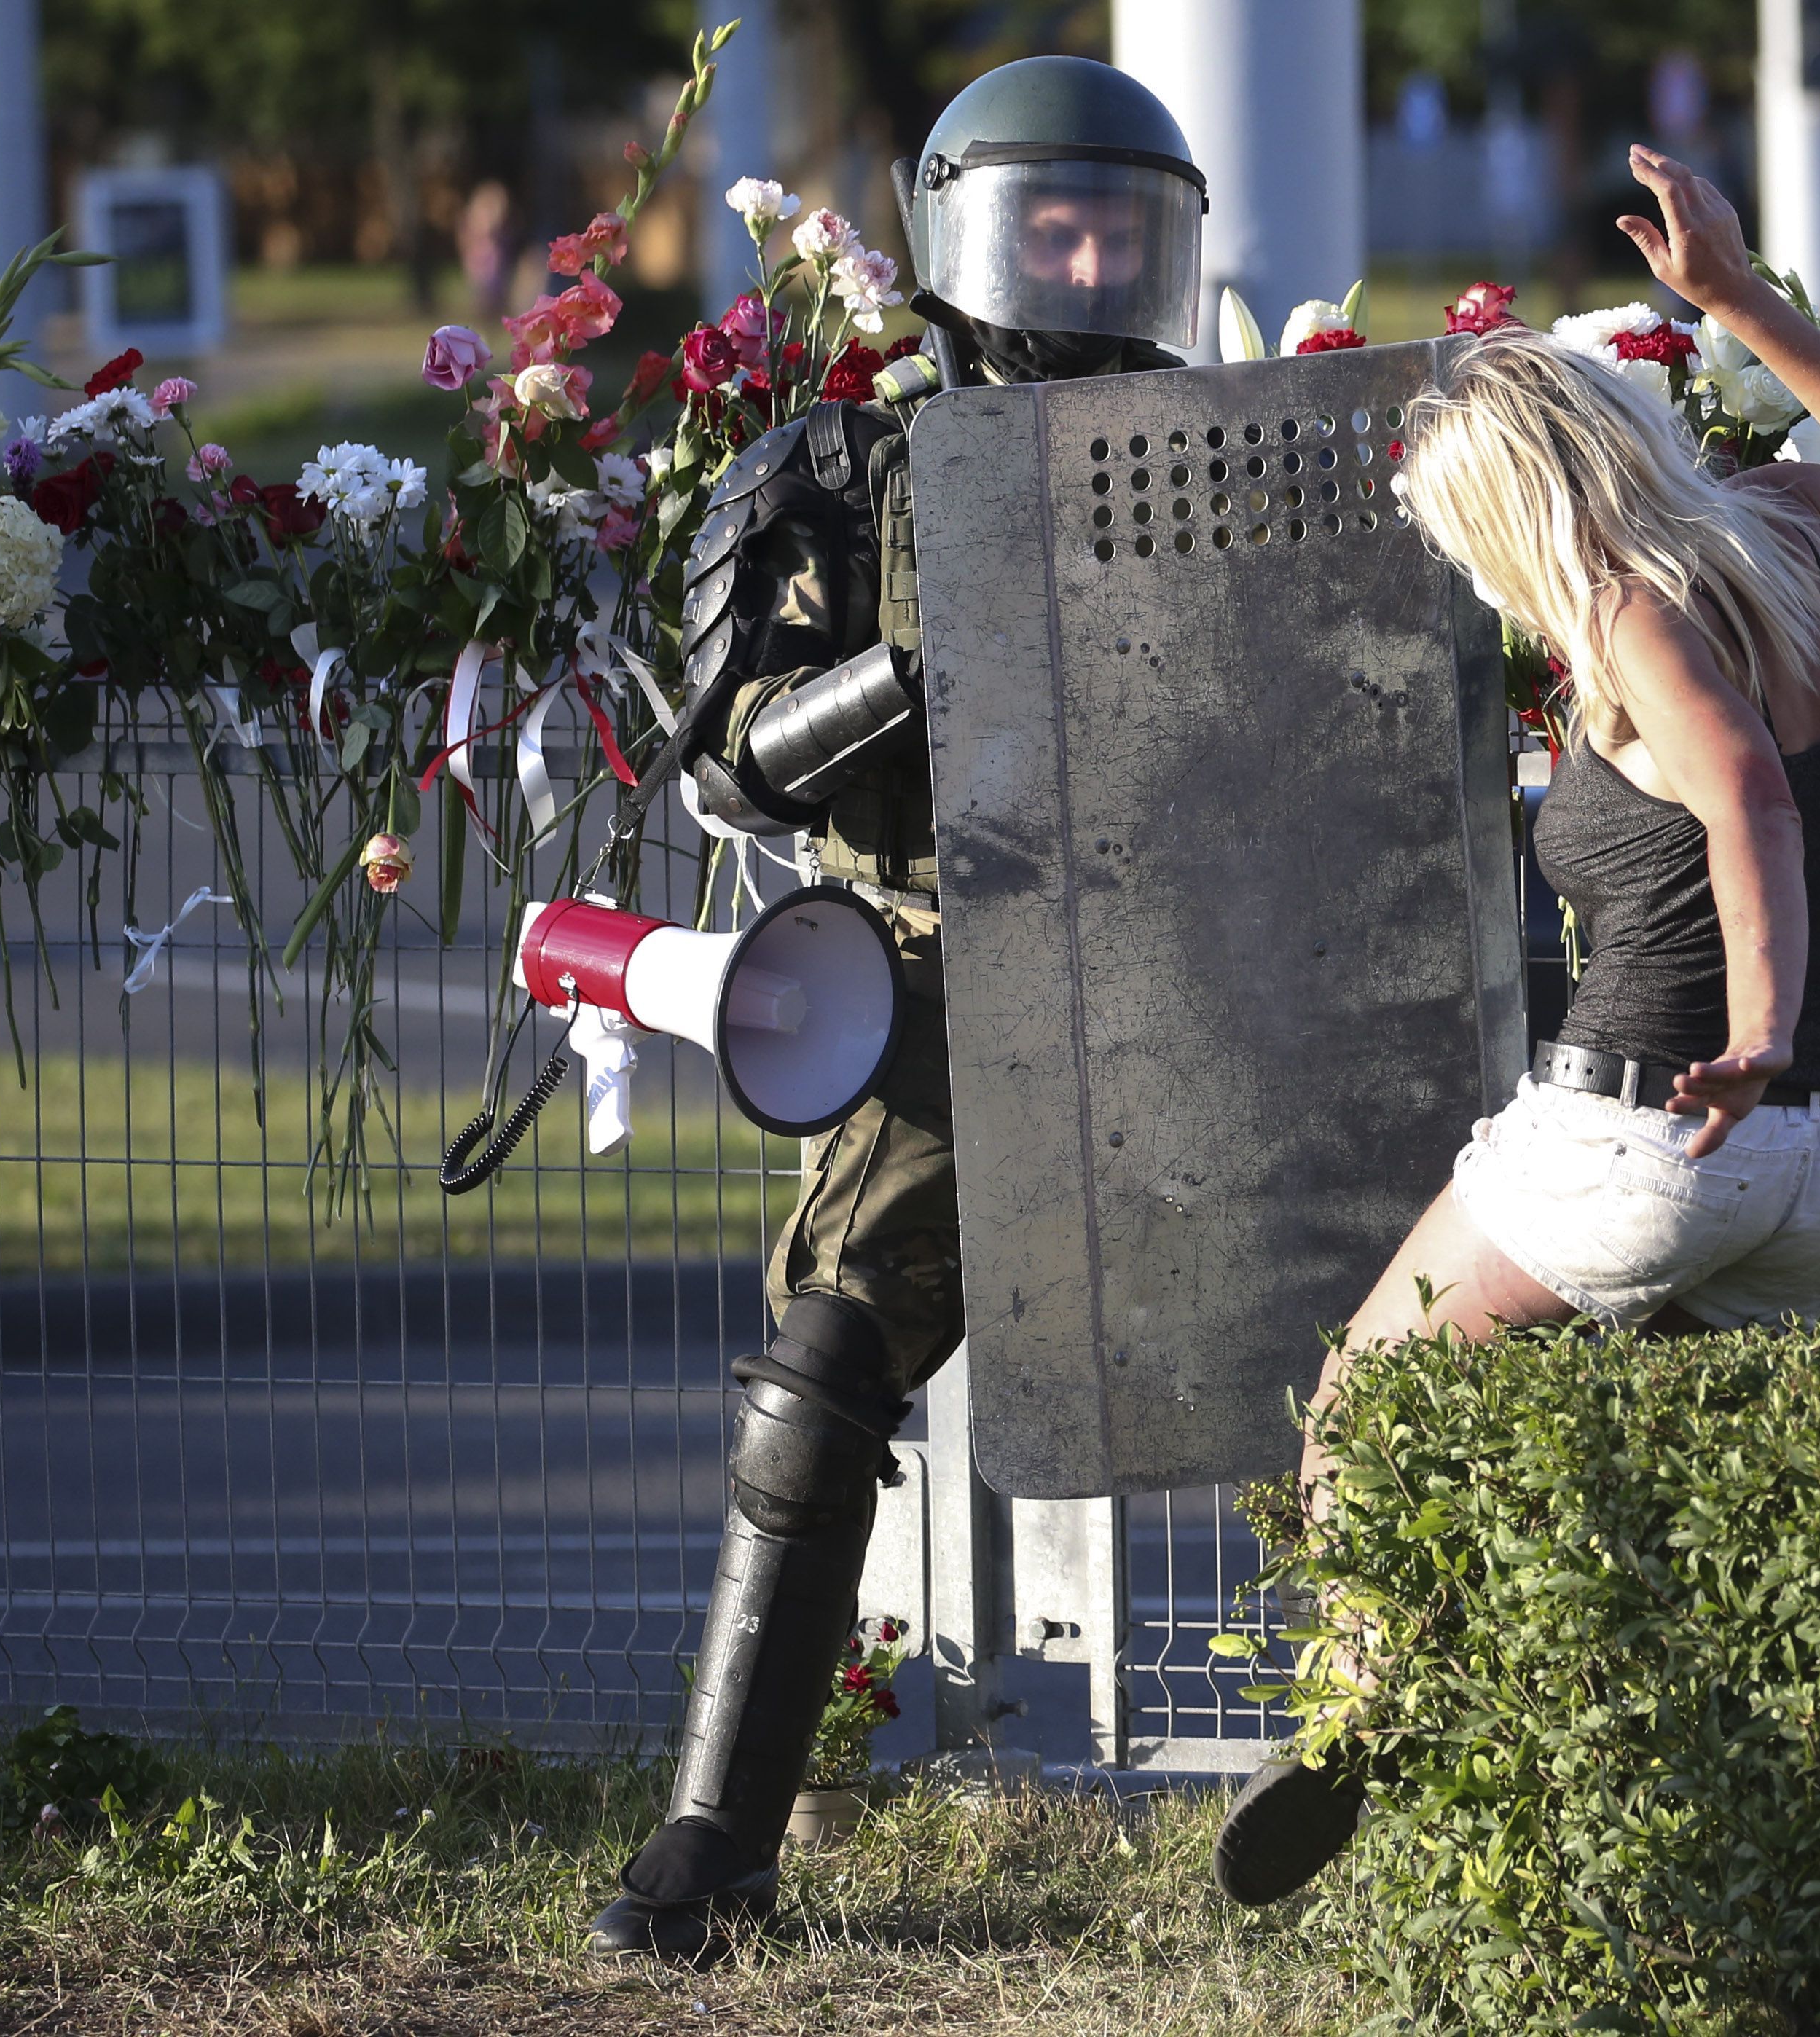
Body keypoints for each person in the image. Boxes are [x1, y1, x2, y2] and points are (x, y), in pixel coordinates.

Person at [1209, 144, 1820, 1908]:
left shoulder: (1628, 614)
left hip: (1651, 1132)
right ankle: (1707, 1838)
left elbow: (1749, 803)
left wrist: (1751, 1028)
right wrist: (1736, 299)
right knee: (1670, 1505)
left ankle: (1369, 1714)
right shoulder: (1783, 532)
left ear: (1508, 511)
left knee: (1363, 1413)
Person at [587, 54, 1208, 1966]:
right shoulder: (839, 475)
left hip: (1198, 960)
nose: (1087, 261)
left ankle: (1434, 1779)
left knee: (1366, 1336)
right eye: (1053, 226)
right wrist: (914, 681)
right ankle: (714, 1847)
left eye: (1117, 230)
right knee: (822, 1367)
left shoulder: (1235, 458)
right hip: (935, 963)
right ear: (967, 239)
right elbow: (723, 759)